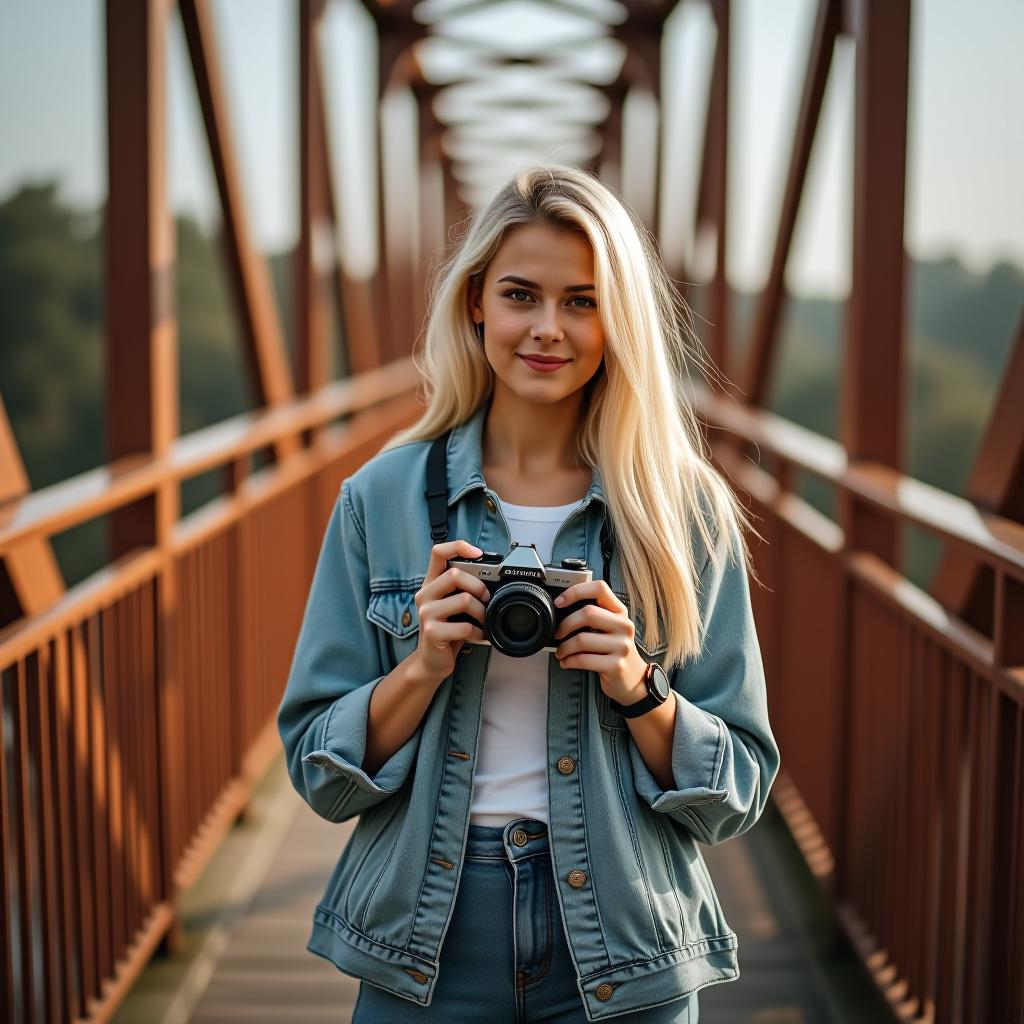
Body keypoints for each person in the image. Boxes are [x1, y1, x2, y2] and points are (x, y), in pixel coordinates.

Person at [276, 164, 780, 1023]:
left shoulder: (682, 510)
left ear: (618, 317)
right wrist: (421, 667)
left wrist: (637, 688)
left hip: (626, 932)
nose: (549, 329)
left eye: (583, 301)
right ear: (476, 302)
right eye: (522, 295)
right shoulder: (382, 499)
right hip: (427, 936)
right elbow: (317, 770)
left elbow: (738, 787)